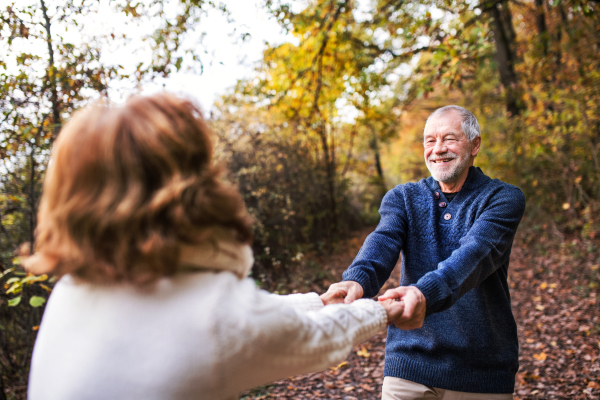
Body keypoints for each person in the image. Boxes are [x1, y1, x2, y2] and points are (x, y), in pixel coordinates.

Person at [26, 93, 406, 400]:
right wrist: (381, 310)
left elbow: (238, 317)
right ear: (188, 186)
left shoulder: (73, 290)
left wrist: (318, 302)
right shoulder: (214, 318)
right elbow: (310, 338)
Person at [323, 105, 526, 399]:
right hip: (408, 362)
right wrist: (356, 280)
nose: (438, 149)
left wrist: (423, 294)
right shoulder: (403, 197)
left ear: (475, 145)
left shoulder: (503, 197)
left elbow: (476, 253)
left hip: (482, 368)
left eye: (449, 139)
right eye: (430, 140)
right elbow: (382, 241)